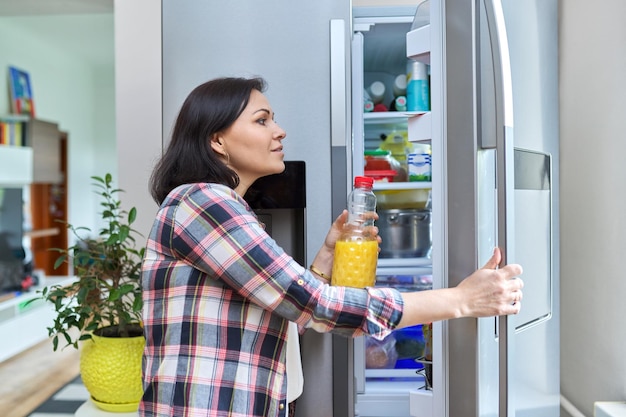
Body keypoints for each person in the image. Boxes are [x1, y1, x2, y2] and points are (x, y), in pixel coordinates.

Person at [140, 77, 523, 417]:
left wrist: (325, 256)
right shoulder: (204, 202)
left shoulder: (226, 210)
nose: (280, 131)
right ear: (216, 139)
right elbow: (317, 306)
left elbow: (289, 316)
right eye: (262, 120)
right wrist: (461, 300)